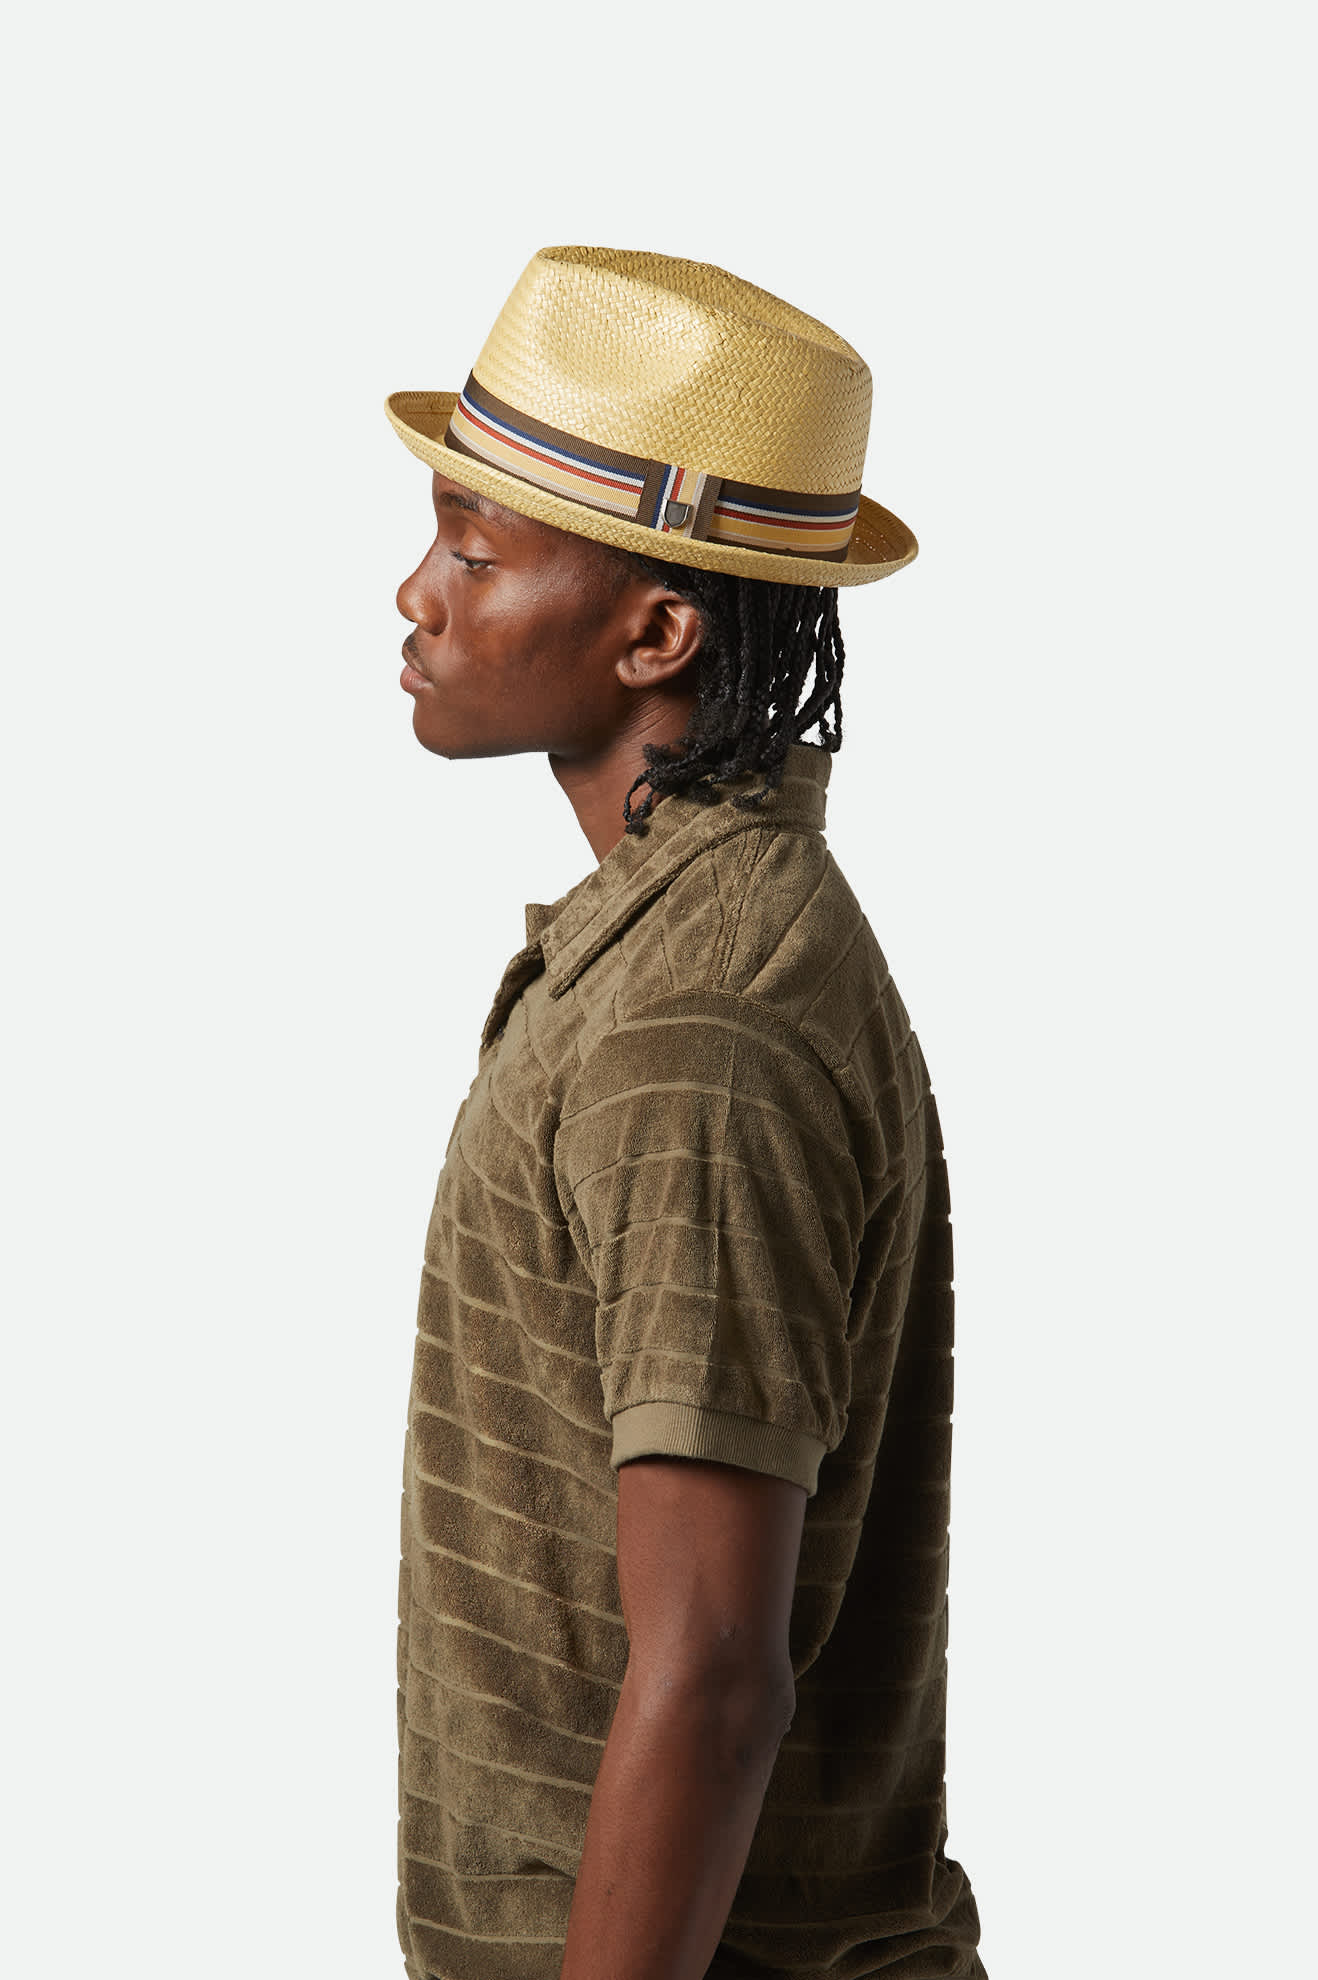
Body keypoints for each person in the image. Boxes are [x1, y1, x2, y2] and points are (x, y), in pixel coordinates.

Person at [385, 246, 989, 1980]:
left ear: (656, 633)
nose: (415, 594)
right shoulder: (674, 943)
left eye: (475, 552)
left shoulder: (697, 1031)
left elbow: (716, 1673)